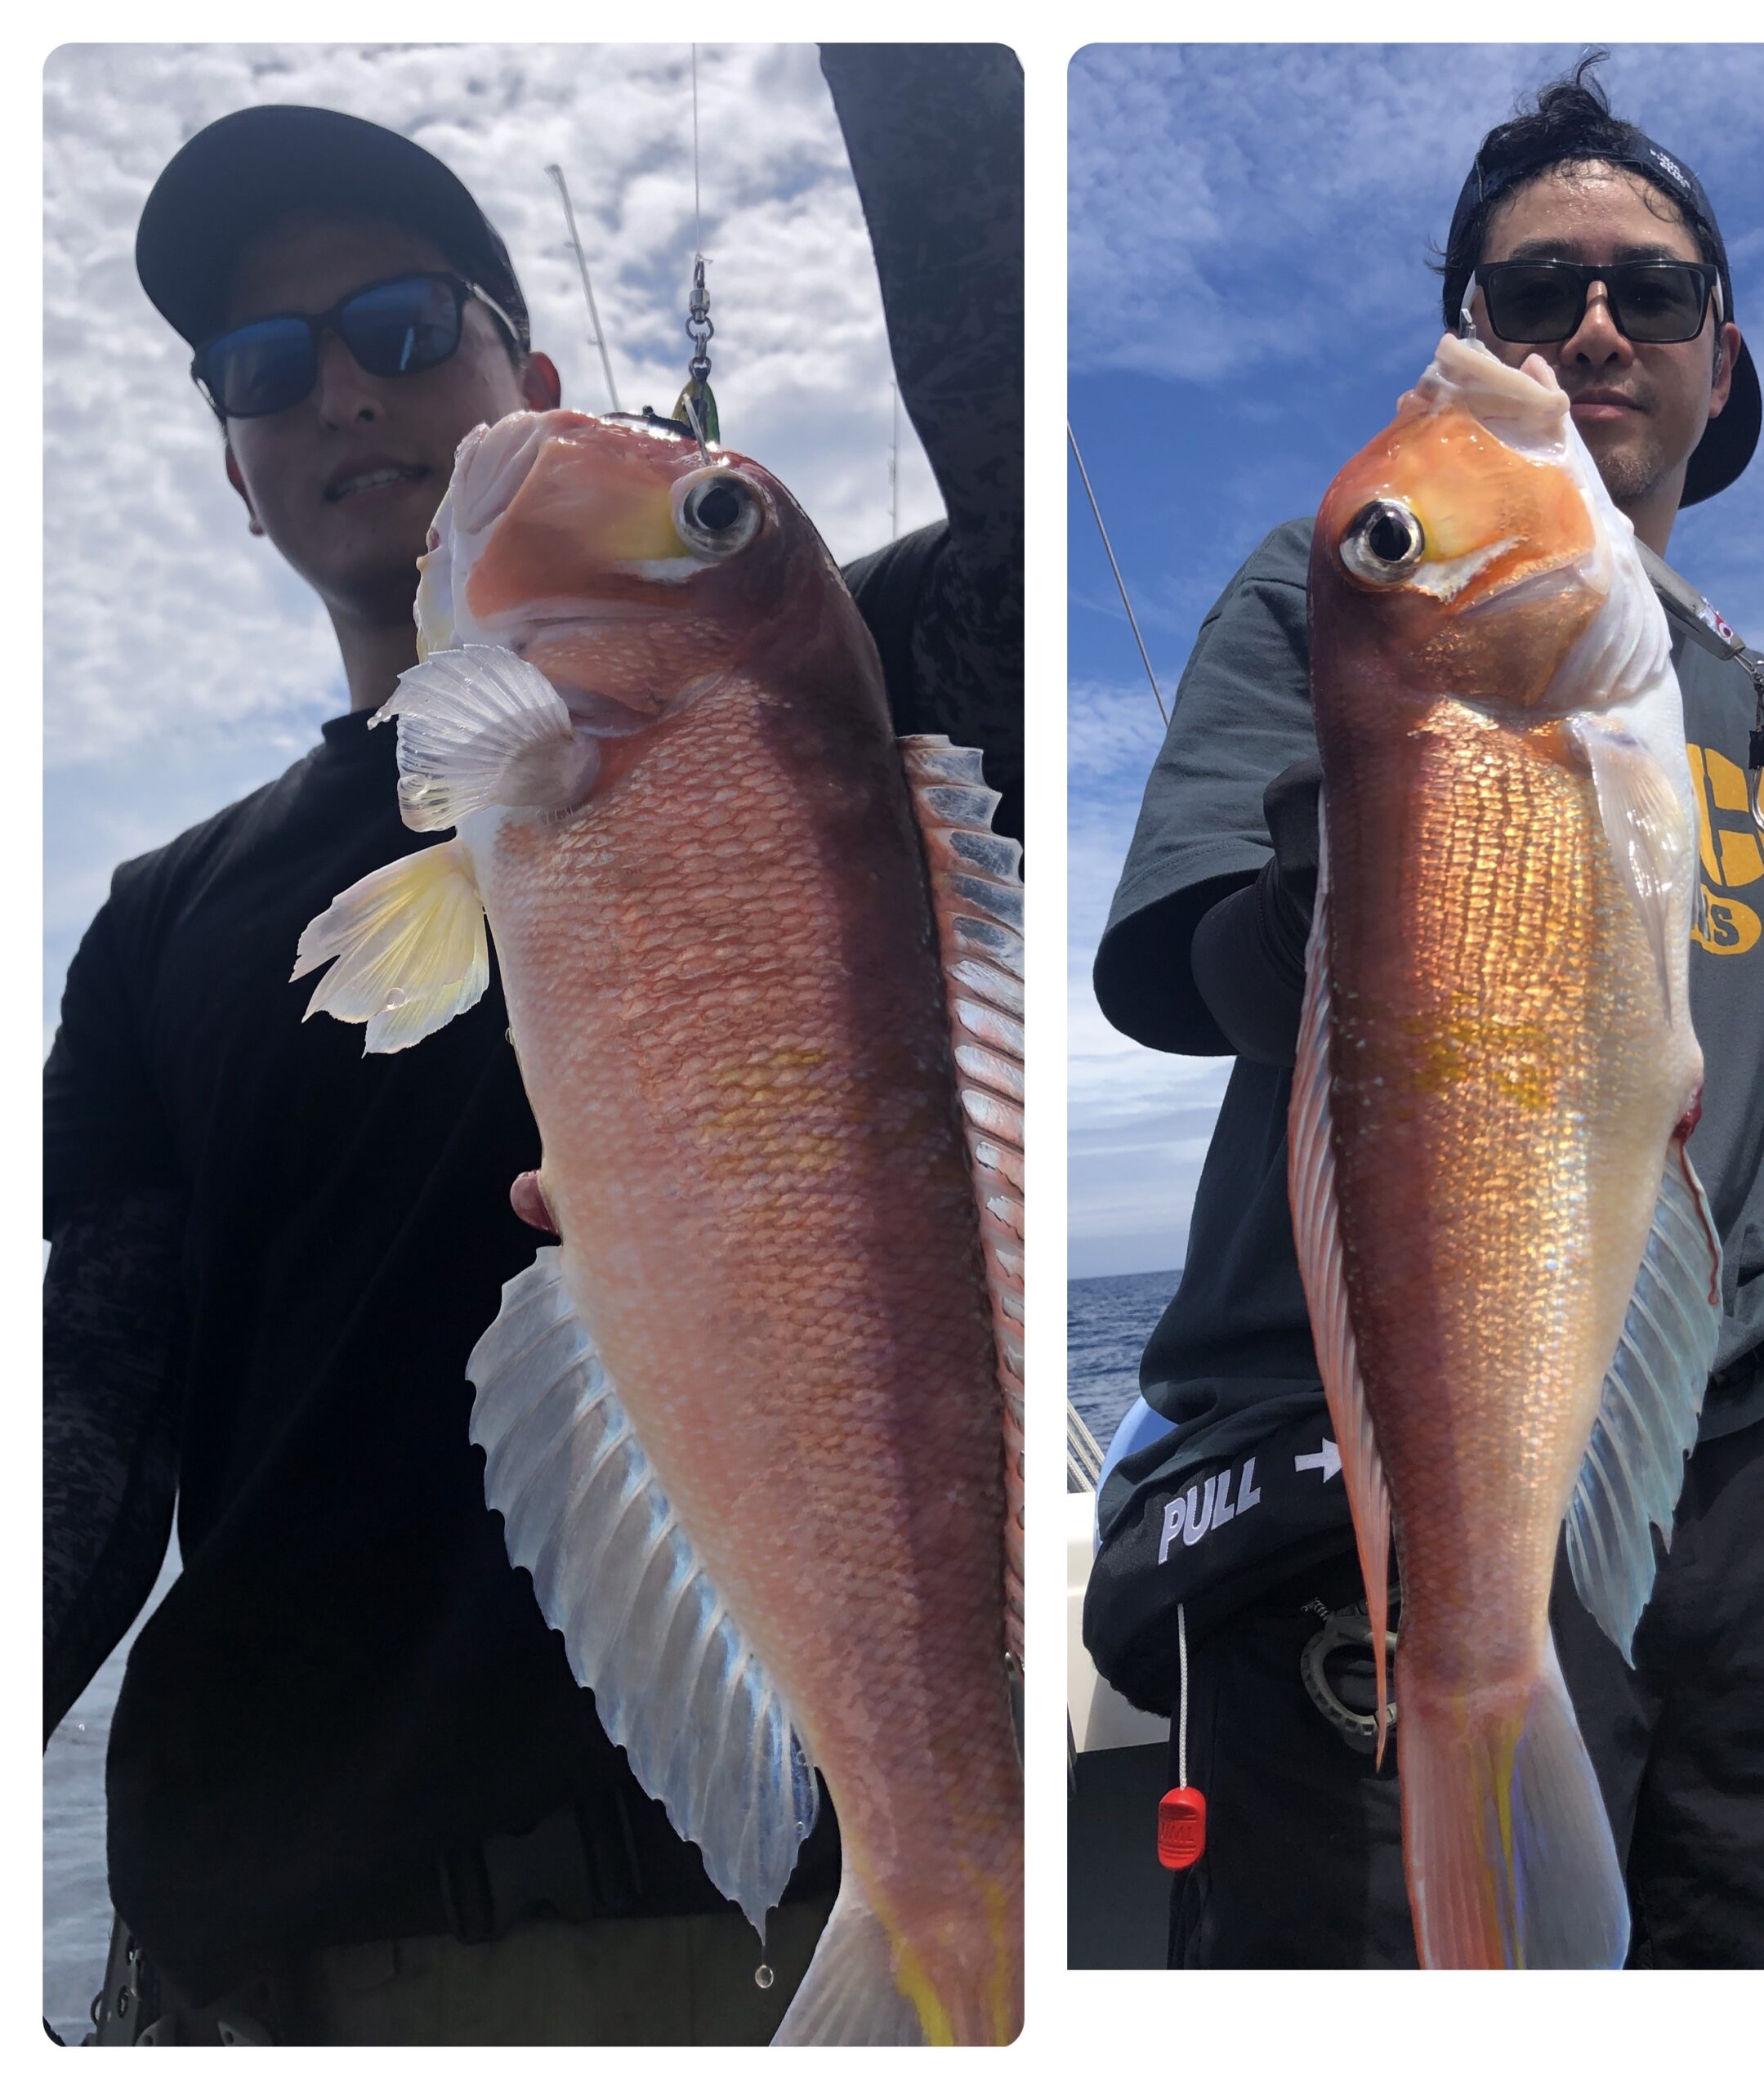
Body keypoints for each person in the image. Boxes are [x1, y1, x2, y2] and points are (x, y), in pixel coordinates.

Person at [45, 46, 1021, 2045]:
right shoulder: (160, 917)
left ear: (535, 379)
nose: (340, 389)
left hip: (728, 1937)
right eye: (262, 366)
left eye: (405, 326)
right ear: (233, 470)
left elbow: (1007, 450)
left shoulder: (820, 674)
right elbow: (95, 1423)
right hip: (258, 1958)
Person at [1083, 59, 1764, 1971]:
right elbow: (1193, 957)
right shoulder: (1330, 584)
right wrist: (1352, 875)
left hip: (1754, 1464)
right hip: (1390, 1437)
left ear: (1716, 357)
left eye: (1647, 290)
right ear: (1466, 335)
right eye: (1533, 291)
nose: (1592, 326)